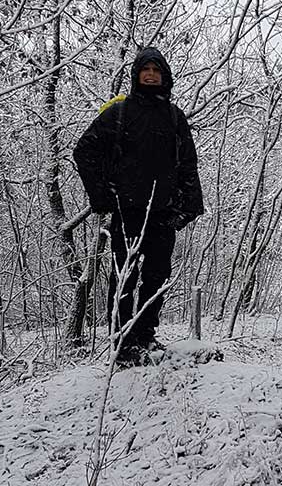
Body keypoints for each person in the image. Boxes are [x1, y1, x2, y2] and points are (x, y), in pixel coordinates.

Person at [73, 47, 204, 367]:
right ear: (136, 74)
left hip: (162, 214)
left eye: (157, 71)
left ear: (165, 76)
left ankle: (145, 336)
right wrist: (101, 196)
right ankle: (123, 344)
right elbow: (84, 151)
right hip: (128, 212)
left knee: (157, 276)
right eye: (145, 70)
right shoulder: (119, 112)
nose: (151, 75)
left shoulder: (174, 117)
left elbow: (188, 163)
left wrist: (189, 207)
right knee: (125, 277)